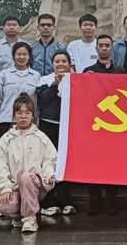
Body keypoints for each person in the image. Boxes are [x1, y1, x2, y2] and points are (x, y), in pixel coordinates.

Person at [0, 93, 57, 233]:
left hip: (34, 185)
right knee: (2, 206)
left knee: (26, 177)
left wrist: (49, 175)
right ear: (14, 115)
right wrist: (5, 188)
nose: (23, 116)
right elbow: (0, 165)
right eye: (19, 112)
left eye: (27, 112)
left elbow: (49, 160)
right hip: (14, 187)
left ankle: (29, 218)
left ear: (32, 115)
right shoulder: (6, 139)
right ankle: (20, 217)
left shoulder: (40, 137)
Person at [83, 35, 126, 215]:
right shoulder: (88, 72)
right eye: (100, 45)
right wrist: (84, 81)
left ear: (112, 49)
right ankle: (95, 203)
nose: (104, 48)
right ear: (96, 49)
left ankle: (112, 203)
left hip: (115, 127)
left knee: (113, 166)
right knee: (93, 166)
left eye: (107, 45)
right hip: (95, 126)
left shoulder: (121, 72)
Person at [35, 51, 77, 216]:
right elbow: (43, 100)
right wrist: (55, 84)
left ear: (69, 63)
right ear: (52, 64)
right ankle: (49, 200)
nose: (61, 64)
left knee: (66, 162)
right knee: (49, 162)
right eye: (57, 61)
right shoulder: (45, 79)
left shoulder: (75, 79)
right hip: (48, 126)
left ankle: (66, 199)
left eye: (64, 61)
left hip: (68, 127)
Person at [0, 42, 41, 141]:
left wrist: (36, 122)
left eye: (25, 54)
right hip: (6, 120)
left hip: (28, 121)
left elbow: (37, 103)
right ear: (13, 55)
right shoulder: (4, 75)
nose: (22, 57)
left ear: (29, 56)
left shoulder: (36, 76)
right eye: (18, 54)